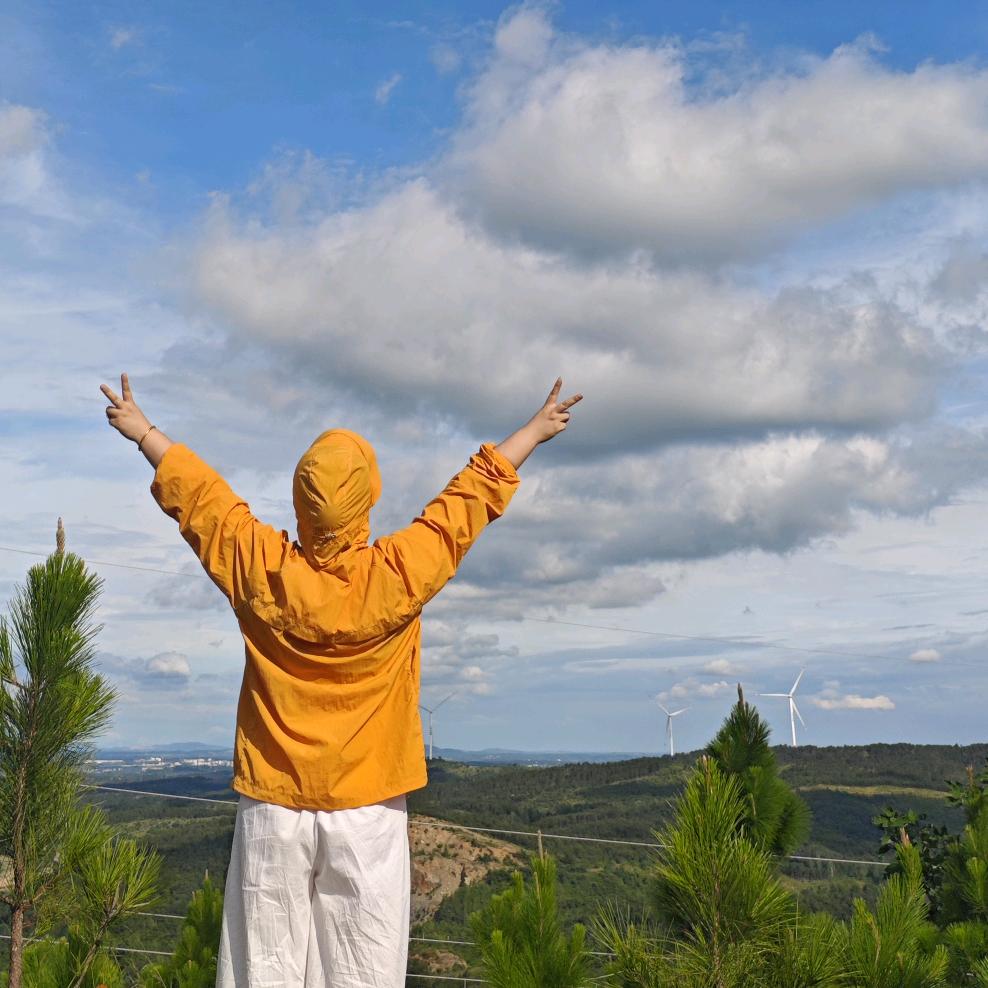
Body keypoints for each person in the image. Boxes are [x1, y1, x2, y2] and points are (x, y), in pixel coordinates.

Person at [99, 373, 582, 987]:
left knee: (262, 966)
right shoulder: (399, 574)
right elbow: (466, 503)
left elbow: (203, 503)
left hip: (274, 805)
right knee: (363, 963)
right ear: (368, 498)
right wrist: (535, 431)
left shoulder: (261, 568)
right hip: (369, 807)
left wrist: (143, 431)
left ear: (300, 502)